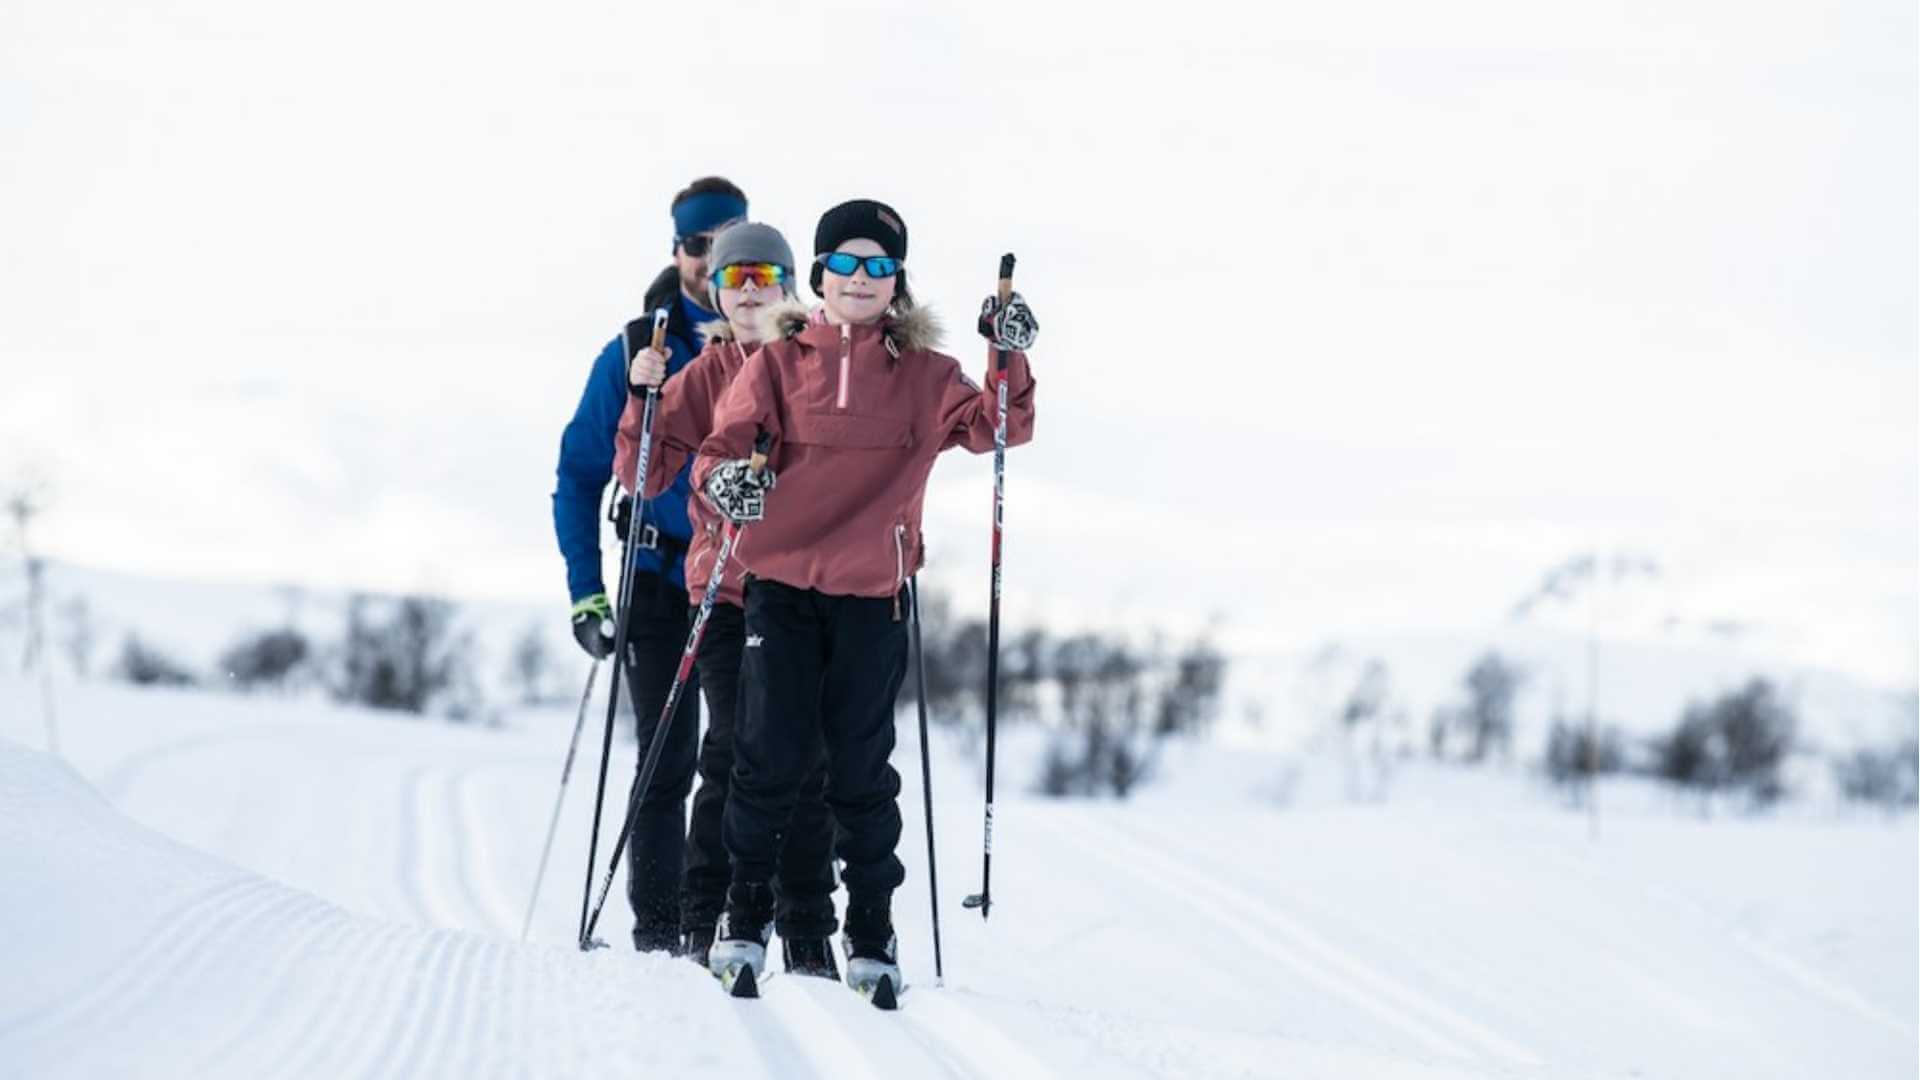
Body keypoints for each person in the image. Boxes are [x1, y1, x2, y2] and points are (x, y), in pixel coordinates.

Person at [695, 199, 1038, 993]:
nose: (860, 278)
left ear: (897, 282)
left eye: (878, 266)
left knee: (858, 771)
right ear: (818, 276)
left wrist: (1005, 354)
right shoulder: (777, 364)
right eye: (844, 264)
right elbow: (721, 451)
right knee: (766, 759)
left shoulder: (922, 376)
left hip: (872, 599)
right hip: (778, 590)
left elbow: (1000, 427)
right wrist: (727, 485)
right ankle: (744, 920)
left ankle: (873, 935)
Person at [616, 221, 840, 976]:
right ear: (715, 291)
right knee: (733, 747)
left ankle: (801, 922)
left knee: (809, 757)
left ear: (789, 289)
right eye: (736, 279)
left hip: (811, 587)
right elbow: (643, 477)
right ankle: (702, 915)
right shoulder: (703, 375)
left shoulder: (819, 359)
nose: (751, 293)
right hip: (728, 588)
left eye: (765, 279)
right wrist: (643, 398)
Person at [551, 176, 746, 953]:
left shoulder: (786, 342)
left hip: (746, 582)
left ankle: (729, 920)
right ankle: (660, 931)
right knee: (666, 758)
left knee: (746, 758)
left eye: (730, 242)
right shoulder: (638, 349)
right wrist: (585, 592)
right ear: (678, 250)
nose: (713, 259)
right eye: (700, 244)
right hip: (662, 577)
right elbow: (578, 472)